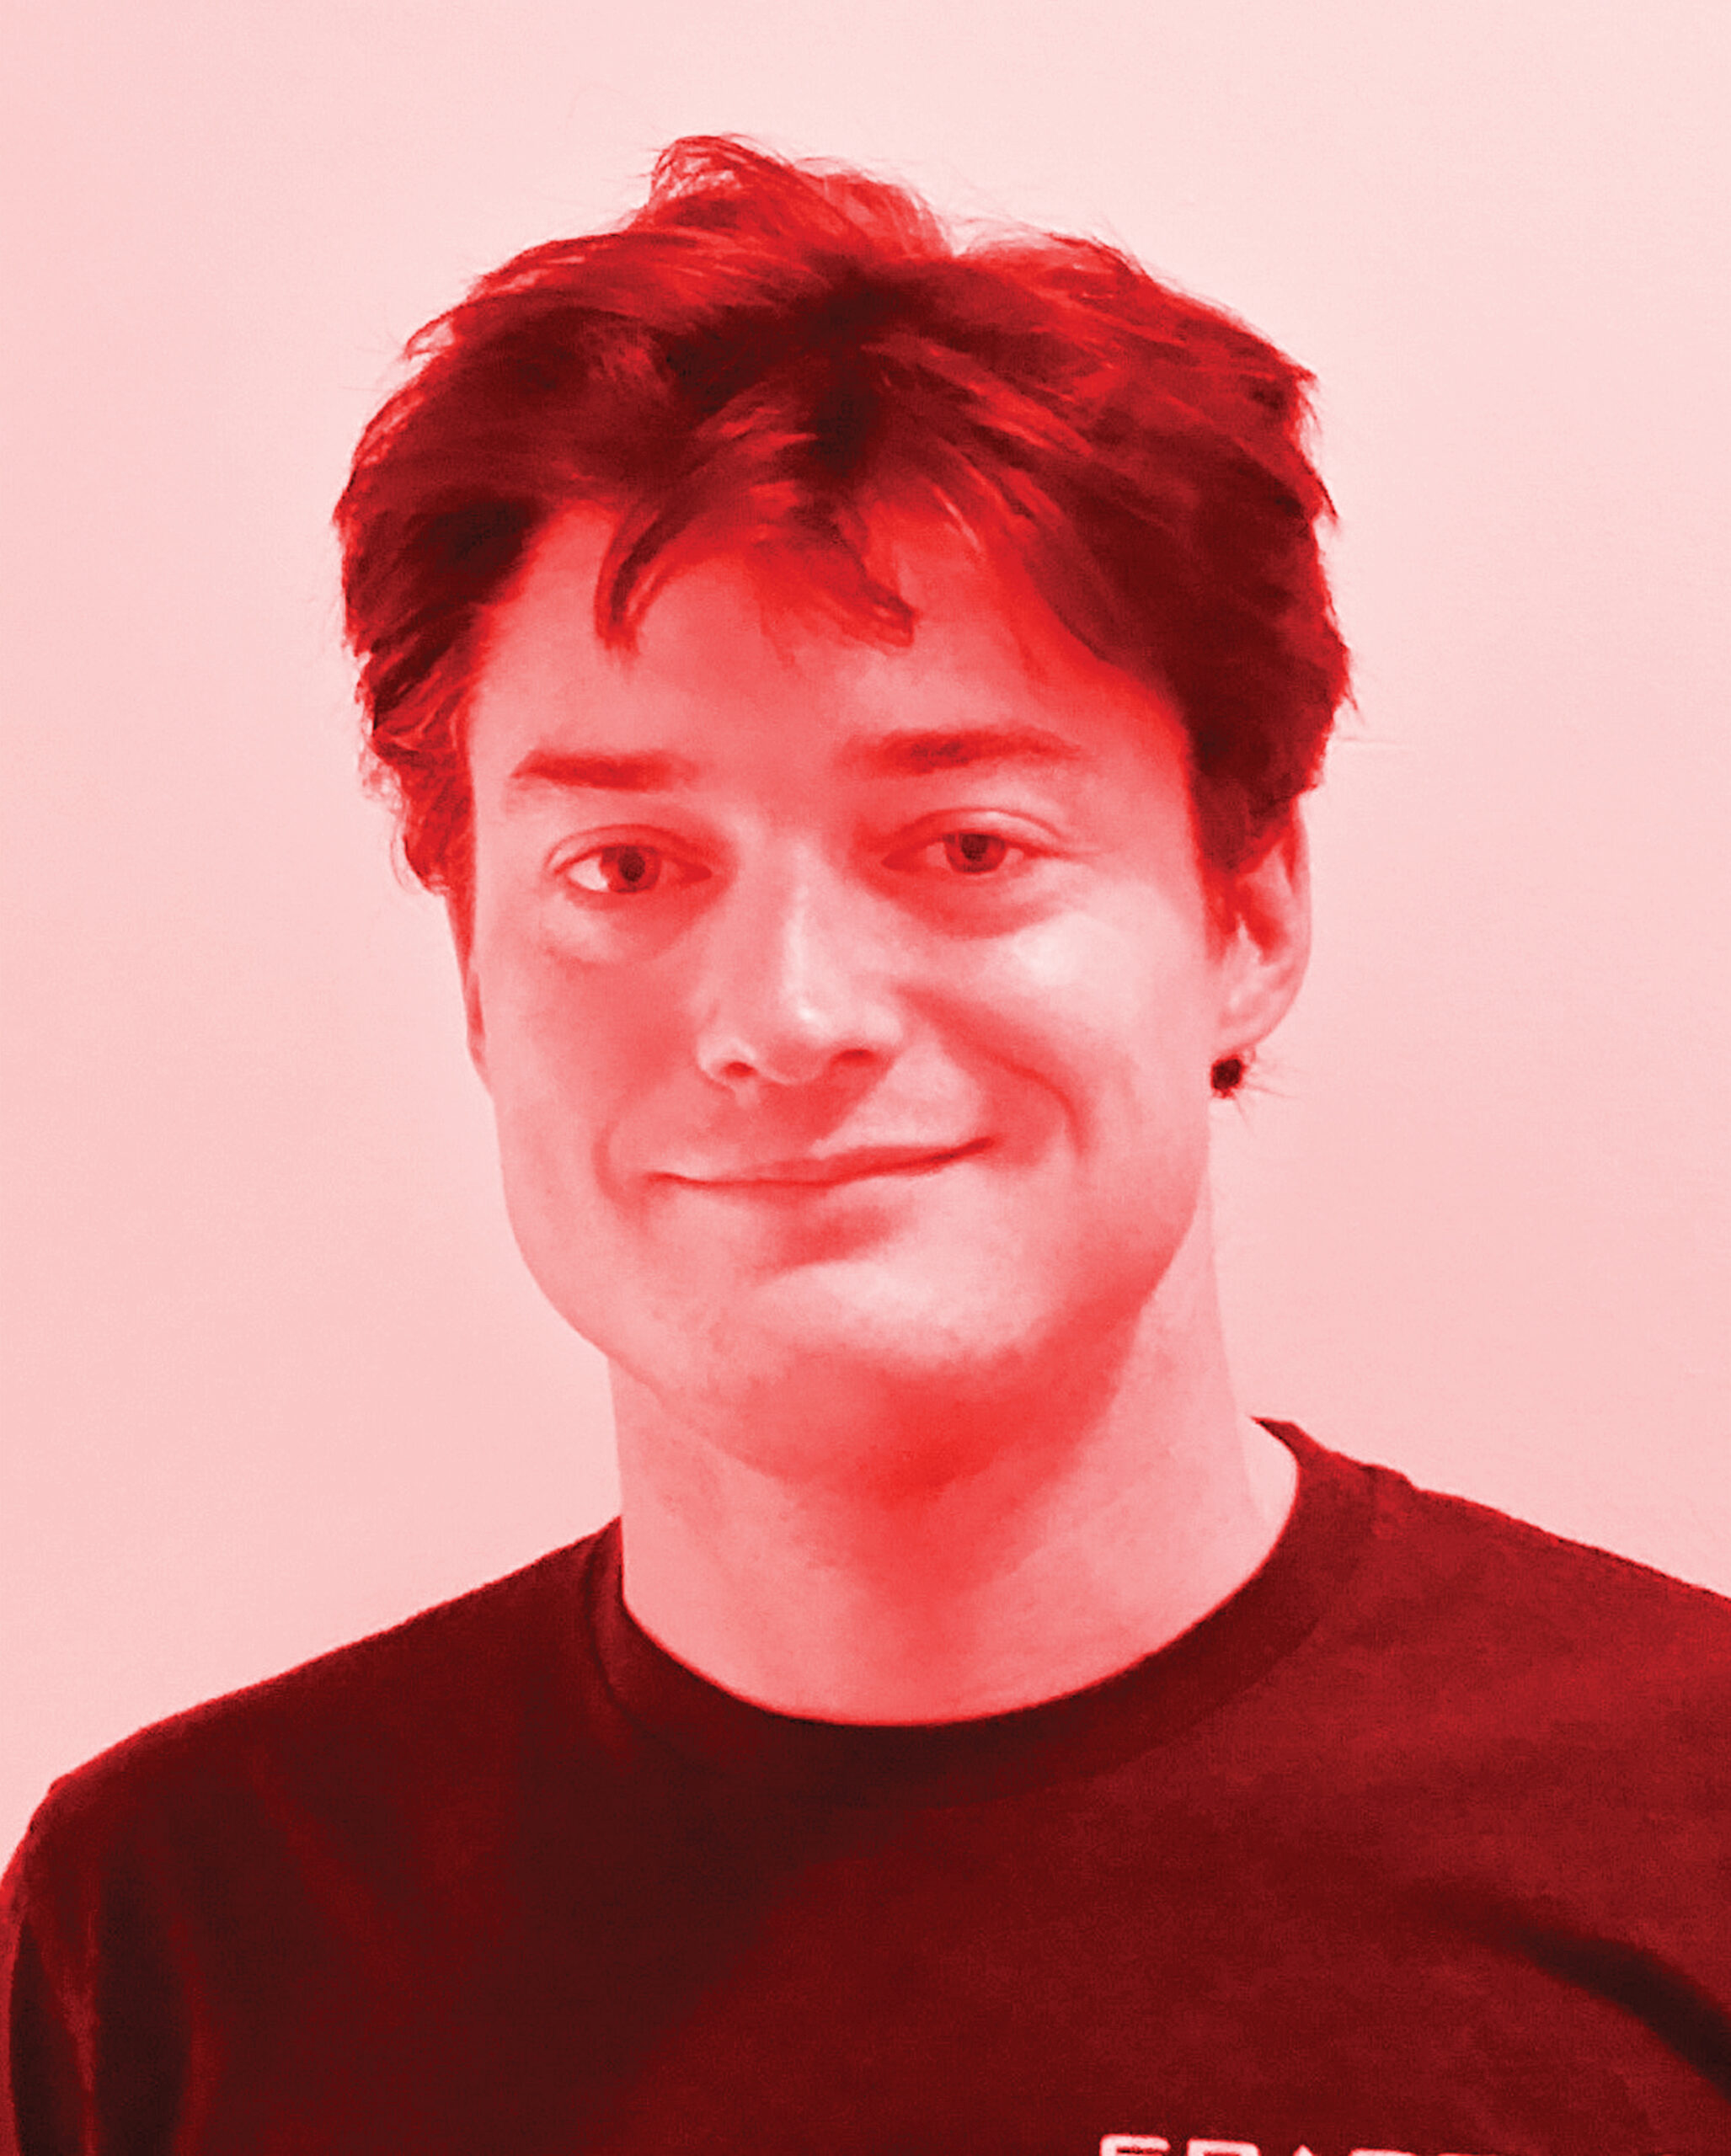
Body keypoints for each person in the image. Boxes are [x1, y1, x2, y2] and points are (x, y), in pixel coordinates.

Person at [3, 135, 1727, 2156]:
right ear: (475, 969)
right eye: (623, 864)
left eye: (966, 844)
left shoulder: (1682, 1830)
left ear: (1245, 914)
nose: (783, 1012)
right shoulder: (178, 1928)